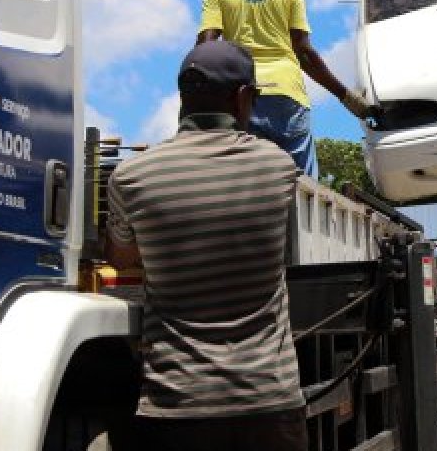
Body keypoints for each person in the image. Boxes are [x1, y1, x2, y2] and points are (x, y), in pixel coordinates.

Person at [104, 40, 307, 451]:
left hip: (176, 406)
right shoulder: (277, 166)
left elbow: (121, 257)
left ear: (183, 98)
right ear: (243, 97)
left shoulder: (131, 177)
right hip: (269, 404)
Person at [197, 0, 371, 178]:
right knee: (302, 183)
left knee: (250, 179)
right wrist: (345, 96)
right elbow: (304, 52)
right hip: (287, 94)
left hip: (244, 95)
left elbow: (206, 45)